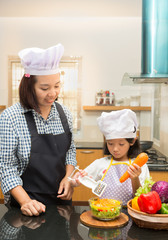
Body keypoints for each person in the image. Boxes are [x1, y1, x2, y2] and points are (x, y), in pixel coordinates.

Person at [0, 44, 77, 216]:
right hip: (25, 206)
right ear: (29, 86)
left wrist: (68, 177)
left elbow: (70, 151)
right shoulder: (10, 117)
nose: (52, 93)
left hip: (61, 204)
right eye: (44, 88)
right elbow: (6, 168)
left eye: (57, 86)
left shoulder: (64, 113)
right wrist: (26, 201)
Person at [71, 109, 150, 206]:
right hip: (104, 212)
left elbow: (140, 198)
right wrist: (76, 180)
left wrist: (135, 178)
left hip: (130, 212)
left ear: (132, 141)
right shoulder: (100, 163)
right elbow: (79, 180)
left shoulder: (140, 167)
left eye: (121, 144)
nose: (115, 149)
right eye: (110, 143)